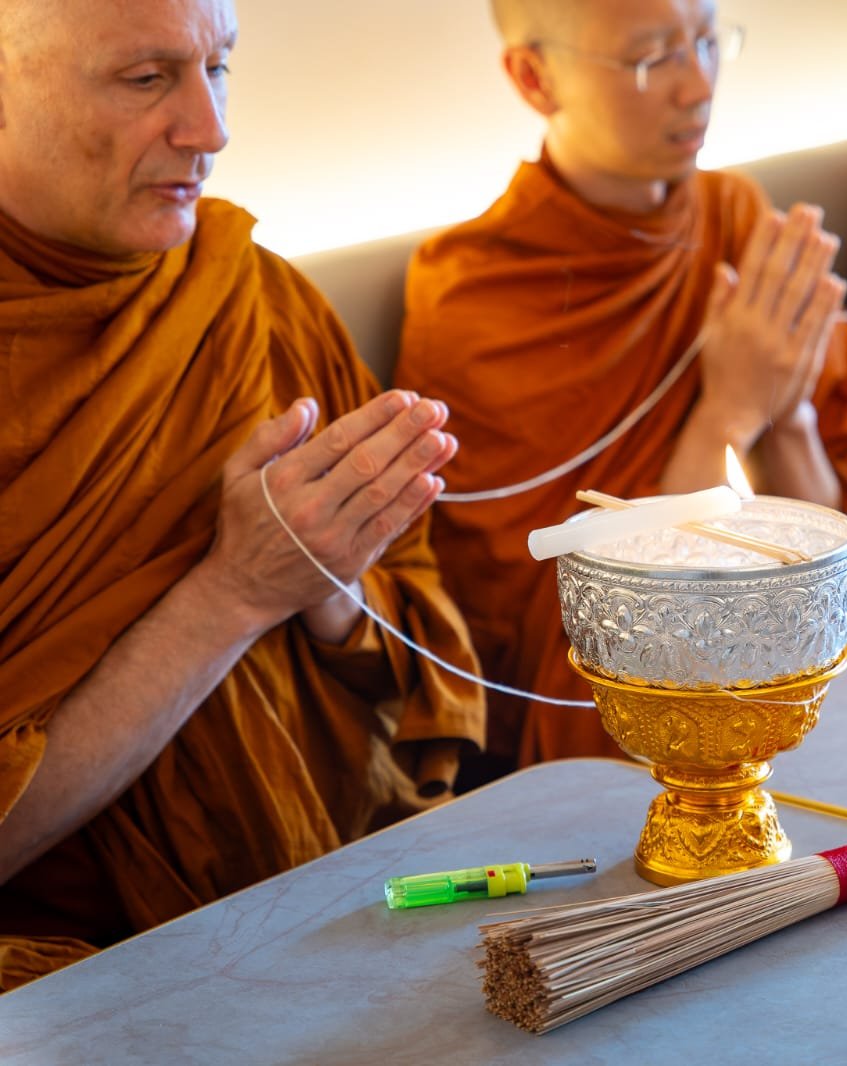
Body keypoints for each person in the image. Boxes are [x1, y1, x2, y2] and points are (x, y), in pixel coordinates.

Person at [0, 0, 485, 991]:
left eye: (218, 68)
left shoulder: (252, 297)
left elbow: (419, 616)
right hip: (71, 968)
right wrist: (234, 592)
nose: (211, 130)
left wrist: (326, 583)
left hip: (333, 891)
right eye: (146, 80)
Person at [396, 0, 847, 770]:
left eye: (709, 43)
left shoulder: (740, 219)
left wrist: (789, 417)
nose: (697, 86)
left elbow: (841, 551)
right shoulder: (477, 298)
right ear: (534, 77)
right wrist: (729, 411)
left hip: (805, 641)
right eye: (652, 59)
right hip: (633, 698)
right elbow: (579, 642)